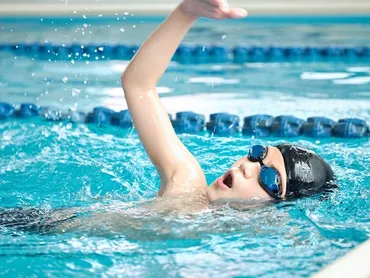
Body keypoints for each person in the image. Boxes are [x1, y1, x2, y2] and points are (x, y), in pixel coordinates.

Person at [1, 0, 336, 234]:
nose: (248, 166)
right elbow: (138, 85)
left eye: (270, 179)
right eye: (257, 154)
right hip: (27, 227)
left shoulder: (252, 238)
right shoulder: (185, 183)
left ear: (277, 212)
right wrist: (185, 13)